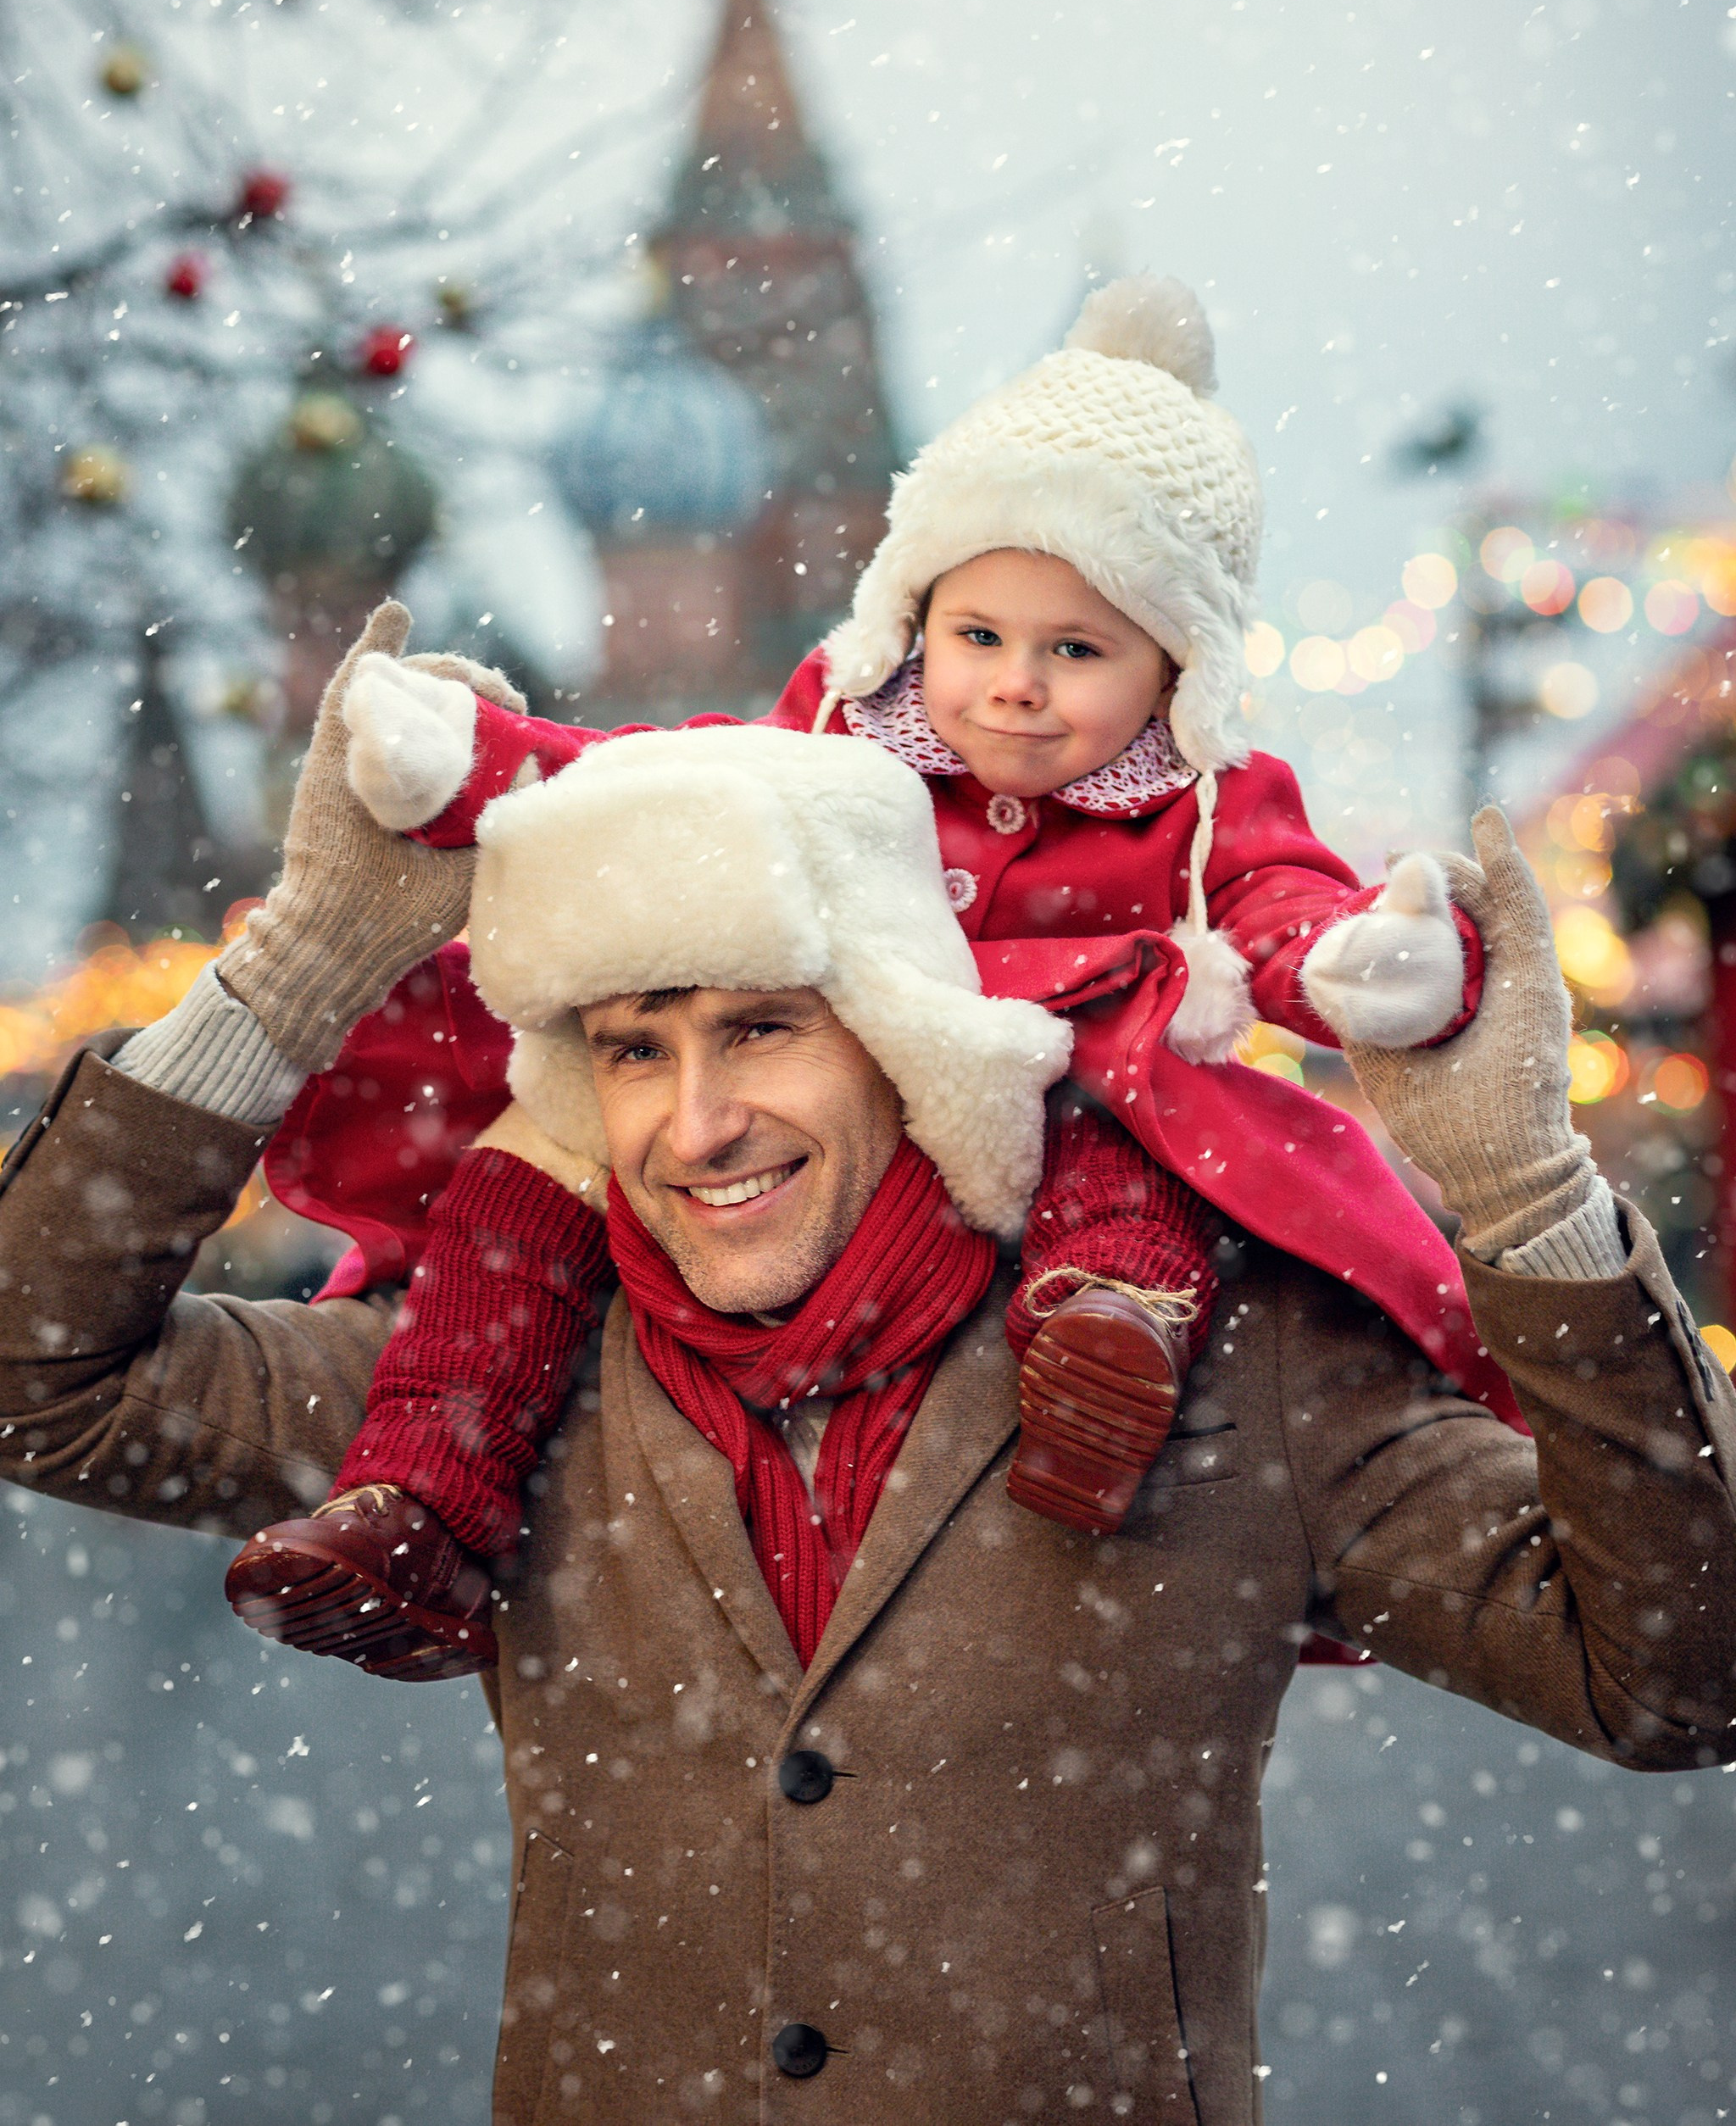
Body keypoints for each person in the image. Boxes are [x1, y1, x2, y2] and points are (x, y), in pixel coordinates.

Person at [3, 613, 1733, 2123]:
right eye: (633, 1049)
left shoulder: (1232, 1360)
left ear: (903, 1031)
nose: (698, 1123)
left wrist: (1527, 1192)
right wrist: (301, 959)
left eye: (760, 1027)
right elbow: (39, 1378)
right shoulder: (498, 1381)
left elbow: (1673, 1678)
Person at [299, 276, 1500, 1629]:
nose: (1015, 685)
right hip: (840, 1073)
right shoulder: (843, 736)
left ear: (1174, 671)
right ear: (912, 620)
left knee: (1128, 1147)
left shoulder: (1198, 794)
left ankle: (1102, 1365)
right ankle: (419, 1490)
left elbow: (1279, 897)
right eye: (976, 636)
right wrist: (480, 766)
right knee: (537, 1174)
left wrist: (1359, 957)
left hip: (1069, 1073)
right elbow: (657, 781)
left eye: (1078, 650)